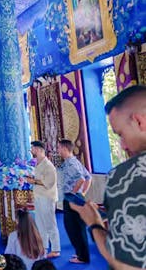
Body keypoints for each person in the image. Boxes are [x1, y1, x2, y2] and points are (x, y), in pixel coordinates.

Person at [71, 85, 146, 269]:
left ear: (139, 122)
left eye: (120, 134)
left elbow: (125, 264)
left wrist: (94, 224)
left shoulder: (127, 177)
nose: (122, 145)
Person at [58, 138, 91, 264]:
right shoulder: (74, 161)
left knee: (73, 227)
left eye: (59, 148)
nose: (58, 150)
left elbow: (82, 179)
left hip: (72, 198)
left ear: (65, 149)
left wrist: (74, 193)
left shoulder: (71, 163)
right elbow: (88, 177)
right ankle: (81, 253)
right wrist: (82, 193)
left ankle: (82, 256)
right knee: (77, 227)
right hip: (76, 197)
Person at [25, 141, 61, 258]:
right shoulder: (38, 164)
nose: (32, 151)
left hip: (47, 197)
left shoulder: (48, 166)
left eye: (33, 148)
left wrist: (34, 181)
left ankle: (55, 249)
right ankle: (43, 246)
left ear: (40, 150)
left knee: (50, 223)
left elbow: (49, 183)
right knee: (40, 223)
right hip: (39, 196)